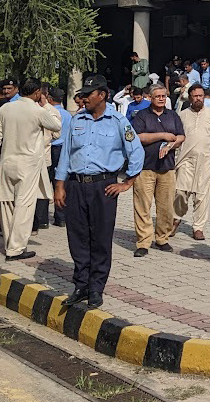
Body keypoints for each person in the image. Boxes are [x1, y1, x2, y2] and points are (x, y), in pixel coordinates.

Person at [54, 75, 143, 308]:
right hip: (76, 185)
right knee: (77, 237)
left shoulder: (118, 121)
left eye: (88, 94)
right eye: (82, 94)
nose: (83, 98)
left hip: (103, 187)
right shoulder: (77, 119)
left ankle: (96, 288)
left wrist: (127, 183)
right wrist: (60, 185)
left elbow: (136, 152)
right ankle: (81, 285)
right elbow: (66, 154)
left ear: (102, 95)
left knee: (101, 239)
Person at [0, 78, 62, 260]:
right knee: (24, 206)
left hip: (7, 161)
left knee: (7, 203)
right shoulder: (38, 110)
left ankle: (9, 244)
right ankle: (16, 249)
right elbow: (56, 125)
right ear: (37, 93)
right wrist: (46, 105)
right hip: (28, 164)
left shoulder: (5, 108)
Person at [130, 84, 185, 256]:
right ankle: (143, 242)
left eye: (163, 96)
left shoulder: (172, 115)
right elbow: (139, 137)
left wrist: (170, 145)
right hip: (145, 167)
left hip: (167, 168)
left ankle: (162, 238)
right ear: (150, 98)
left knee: (166, 207)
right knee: (142, 206)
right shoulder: (142, 115)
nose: (161, 99)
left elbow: (181, 136)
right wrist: (163, 135)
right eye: (157, 96)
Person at [173, 84, 210, 241]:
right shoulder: (182, 115)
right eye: (195, 96)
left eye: (200, 95)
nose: (198, 98)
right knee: (180, 191)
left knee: (202, 195)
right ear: (190, 97)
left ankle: (198, 227)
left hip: (205, 160)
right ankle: (176, 218)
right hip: (185, 159)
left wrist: (204, 151)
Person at [45, 88, 71, 227]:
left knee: (45, 181)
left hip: (50, 148)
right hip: (63, 150)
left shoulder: (48, 113)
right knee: (61, 182)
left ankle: (42, 218)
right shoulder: (68, 115)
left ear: (50, 99)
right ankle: (61, 217)